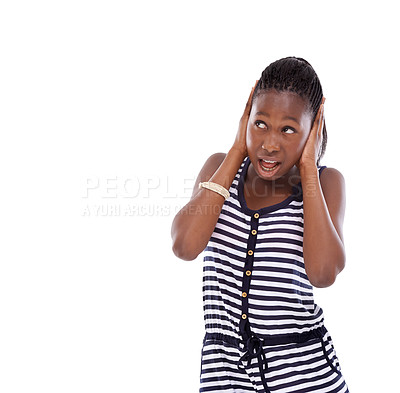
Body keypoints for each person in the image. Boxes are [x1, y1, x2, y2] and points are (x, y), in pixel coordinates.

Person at [171, 57, 349, 393]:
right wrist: (237, 151)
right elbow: (184, 246)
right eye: (260, 124)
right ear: (246, 119)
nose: (269, 143)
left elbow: (323, 273)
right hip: (223, 376)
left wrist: (309, 167)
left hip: (305, 377)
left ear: (313, 131)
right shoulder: (218, 169)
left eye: (288, 129)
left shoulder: (325, 184)